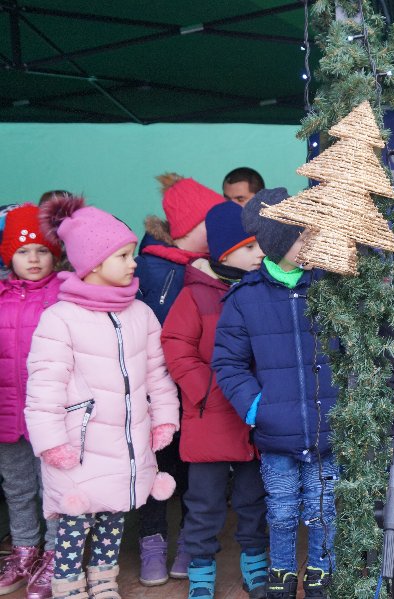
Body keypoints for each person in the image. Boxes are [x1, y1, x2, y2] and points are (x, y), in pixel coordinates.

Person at [25, 196, 180, 599]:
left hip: (127, 441)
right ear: (94, 263)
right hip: (78, 444)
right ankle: (67, 582)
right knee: (75, 520)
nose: (133, 263)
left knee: (115, 513)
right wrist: (52, 443)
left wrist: (164, 418)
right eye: (123, 256)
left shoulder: (141, 314)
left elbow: (158, 375)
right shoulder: (60, 319)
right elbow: (43, 388)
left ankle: (104, 579)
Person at [213, 188, 339, 599]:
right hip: (275, 431)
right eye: (304, 237)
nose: (313, 243)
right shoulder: (245, 297)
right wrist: (256, 407)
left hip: (326, 428)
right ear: (280, 243)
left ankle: (321, 573)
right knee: (281, 511)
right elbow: (228, 362)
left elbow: (352, 350)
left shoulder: (331, 289)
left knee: (322, 509)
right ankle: (282, 572)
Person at [160, 201, 267, 599]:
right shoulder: (195, 295)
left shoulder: (264, 290)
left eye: (260, 245)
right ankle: (200, 569)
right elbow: (177, 347)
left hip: (254, 417)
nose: (260, 253)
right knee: (203, 503)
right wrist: (206, 390)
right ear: (223, 253)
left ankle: (255, 563)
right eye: (249, 247)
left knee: (254, 499)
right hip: (210, 416)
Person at [135, 172, 224, 585]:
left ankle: (191, 541)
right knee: (154, 470)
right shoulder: (147, 268)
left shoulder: (210, 269)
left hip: (194, 391)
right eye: (211, 221)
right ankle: (152, 542)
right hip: (153, 394)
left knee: (193, 474)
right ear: (190, 226)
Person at [0, 205, 63, 599]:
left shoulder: (66, 294)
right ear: (9, 256)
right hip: (8, 413)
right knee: (18, 487)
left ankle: (56, 554)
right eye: (23, 251)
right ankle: (24, 550)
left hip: (52, 415)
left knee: (54, 488)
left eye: (42, 250)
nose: (34, 259)